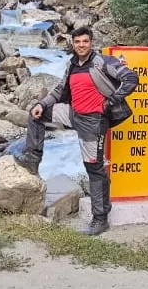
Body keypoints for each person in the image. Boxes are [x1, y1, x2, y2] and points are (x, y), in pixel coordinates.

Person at [15, 26, 138, 235]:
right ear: (73, 43)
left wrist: (111, 101)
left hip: (93, 122)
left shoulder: (103, 62)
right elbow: (59, 91)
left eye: (85, 41)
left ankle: (100, 218)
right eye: (78, 42)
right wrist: (42, 104)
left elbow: (131, 78)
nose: (81, 45)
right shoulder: (72, 65)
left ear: (91, 43)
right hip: (74, 114)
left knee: (94, 169)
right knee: (36, 114)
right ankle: (33, 157)